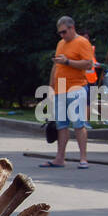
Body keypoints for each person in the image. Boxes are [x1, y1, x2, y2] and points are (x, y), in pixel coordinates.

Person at [44, 15, 95, 168]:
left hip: (76, 87)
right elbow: (56, 66)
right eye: (60, 33)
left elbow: (88, 64)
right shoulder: (61, 43)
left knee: (79, 123)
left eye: (64, 32)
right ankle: (60, 158)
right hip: (60, 89)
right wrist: (51, 86)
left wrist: (68, 61)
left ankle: (83, 158)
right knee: (61, 125)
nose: (62, 35)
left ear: (72, 28)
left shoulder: (82, 42)